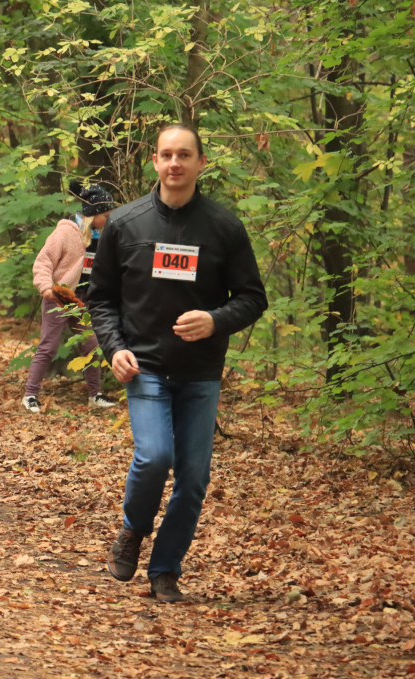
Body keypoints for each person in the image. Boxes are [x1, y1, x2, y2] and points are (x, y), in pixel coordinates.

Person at [88, 123, 267, 602]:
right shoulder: (125, 224)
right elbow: (100, 298)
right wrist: (114, 347)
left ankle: (165, 568)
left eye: (184, 155)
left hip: (201, 372)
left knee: (192, 479)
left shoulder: (223, 226)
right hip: (144, 366)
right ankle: (132, 529)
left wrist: (215, 319)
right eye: (167, 155)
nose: (175, 164)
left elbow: (252, 297)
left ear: (200, 163)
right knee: (155, 456)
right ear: (154, 161)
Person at [21, 181, 118, 414]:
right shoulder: (66, 233)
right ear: (94, 214)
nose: (110, 218)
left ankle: (95, 395)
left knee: (91, 344)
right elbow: (43, 262)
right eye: (107, 214)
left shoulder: (103, 236)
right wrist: (46, 288)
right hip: (60, 296)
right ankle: (30, 395)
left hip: (84, 299)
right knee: (49, 346)